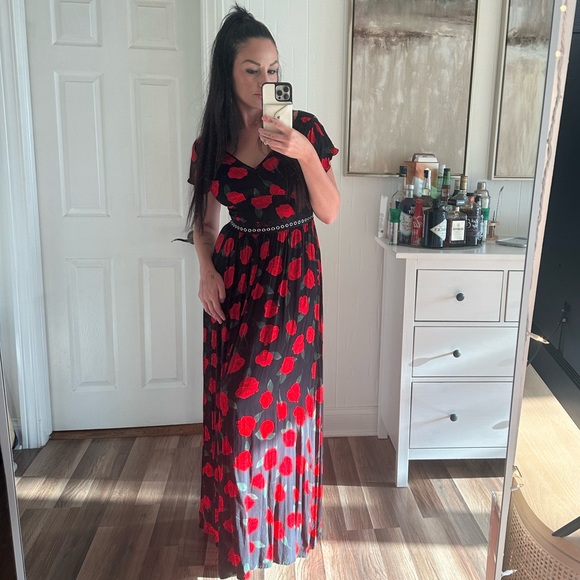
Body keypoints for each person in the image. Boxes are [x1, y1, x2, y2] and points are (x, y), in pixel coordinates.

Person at [187, 5, 340, 578]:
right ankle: (240, 531)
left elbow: (330, 211)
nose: (264, 81)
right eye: (251, 70)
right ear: (227, 74)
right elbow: (203, 224)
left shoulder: (307, 130)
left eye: (272, 69)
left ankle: (275, 528)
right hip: (237, 276)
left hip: (294, 277)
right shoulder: (211, 144)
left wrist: (302, 153)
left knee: (277, 406)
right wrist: (205, 269)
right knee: (235, 406)